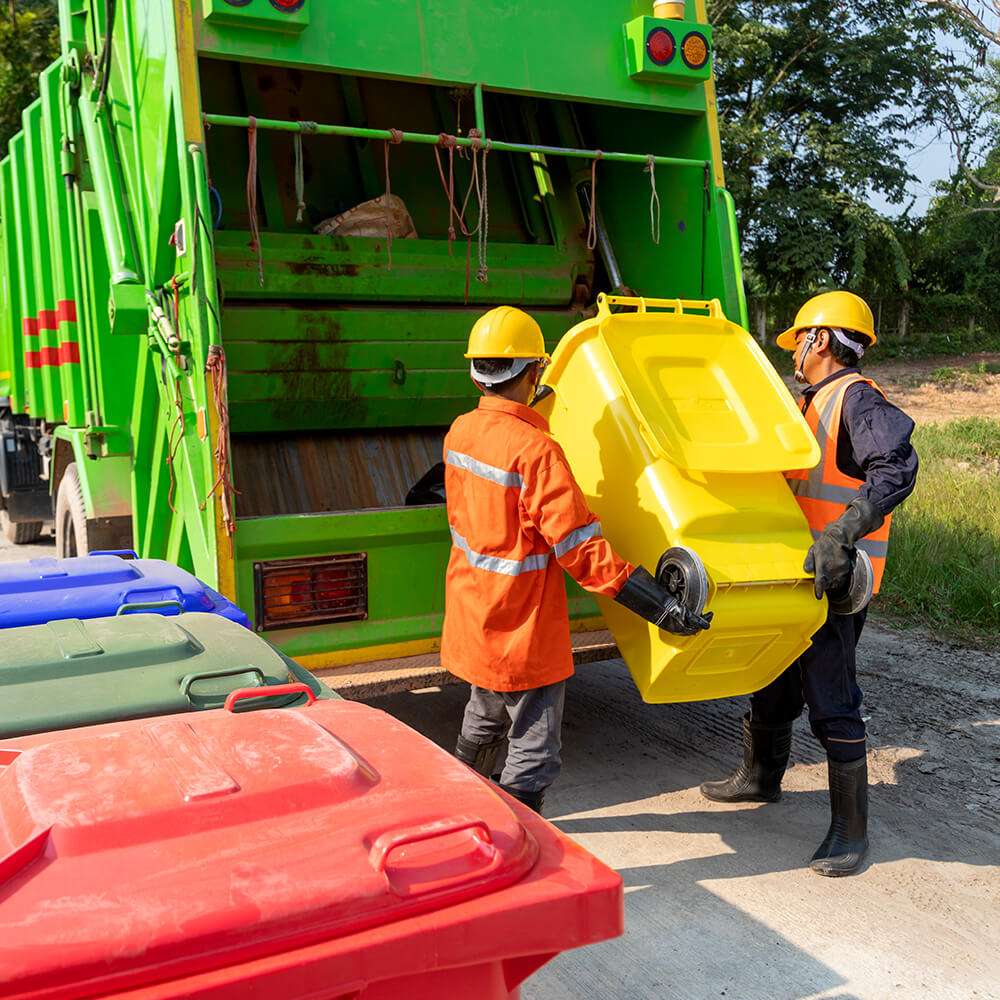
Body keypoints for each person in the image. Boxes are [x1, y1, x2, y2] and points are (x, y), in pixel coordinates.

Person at [442, 305, 712, 815]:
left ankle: (462, 811)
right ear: (533, 370)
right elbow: (581, 551)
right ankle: (516, 840)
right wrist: (660, 606)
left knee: (484, 715)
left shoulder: (460, 432)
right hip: (522, 624)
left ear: (477, 371)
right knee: (534, 750)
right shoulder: (536, 450)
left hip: (474, 612)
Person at [699, 290, 918, 876]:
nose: (794, 352)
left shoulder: (856, 401)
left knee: (831, 697)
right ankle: (761, 777)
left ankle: (850, 831)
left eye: (798, 340)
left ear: (819, 339)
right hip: (793, 576)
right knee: (771, 677)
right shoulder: (810, 402)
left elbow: (896, 467)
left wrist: (843, 534)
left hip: (836, 579)